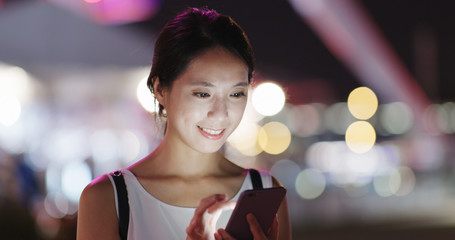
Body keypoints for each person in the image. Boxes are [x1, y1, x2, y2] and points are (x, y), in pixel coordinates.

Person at [77, 7, 291, 240]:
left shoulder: (264, 191)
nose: (220, 114)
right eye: (202, 94)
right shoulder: (108, 198)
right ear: (160, 89)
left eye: (236, 94)